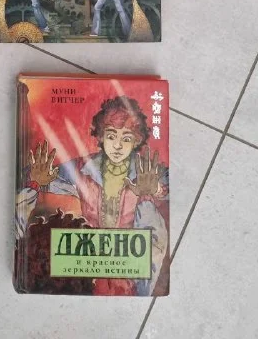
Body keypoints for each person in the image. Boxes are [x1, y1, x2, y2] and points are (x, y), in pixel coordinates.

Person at [16, 97, 168, 296]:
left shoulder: (146, 169)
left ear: (136, 141)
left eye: (126, 138)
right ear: (101, 136)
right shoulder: (83, 167)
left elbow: (168, 187)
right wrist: (36, 180)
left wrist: (156, 190)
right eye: (111, 136)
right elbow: (41, 177)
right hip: (90, 262)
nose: (118, 146)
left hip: (130, 265)